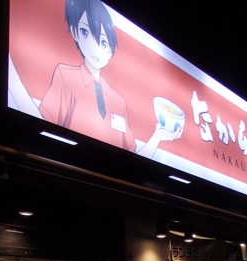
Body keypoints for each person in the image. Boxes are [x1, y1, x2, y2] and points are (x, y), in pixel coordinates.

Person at [38, 0, 182, 157]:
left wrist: (157, 137)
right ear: (74, 32)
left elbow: (132, 160)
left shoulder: (119, 100)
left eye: (103, 42)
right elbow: (41, 124)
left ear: (111, 51)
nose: (95, 47)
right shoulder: (65, 76)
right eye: (85, 33)